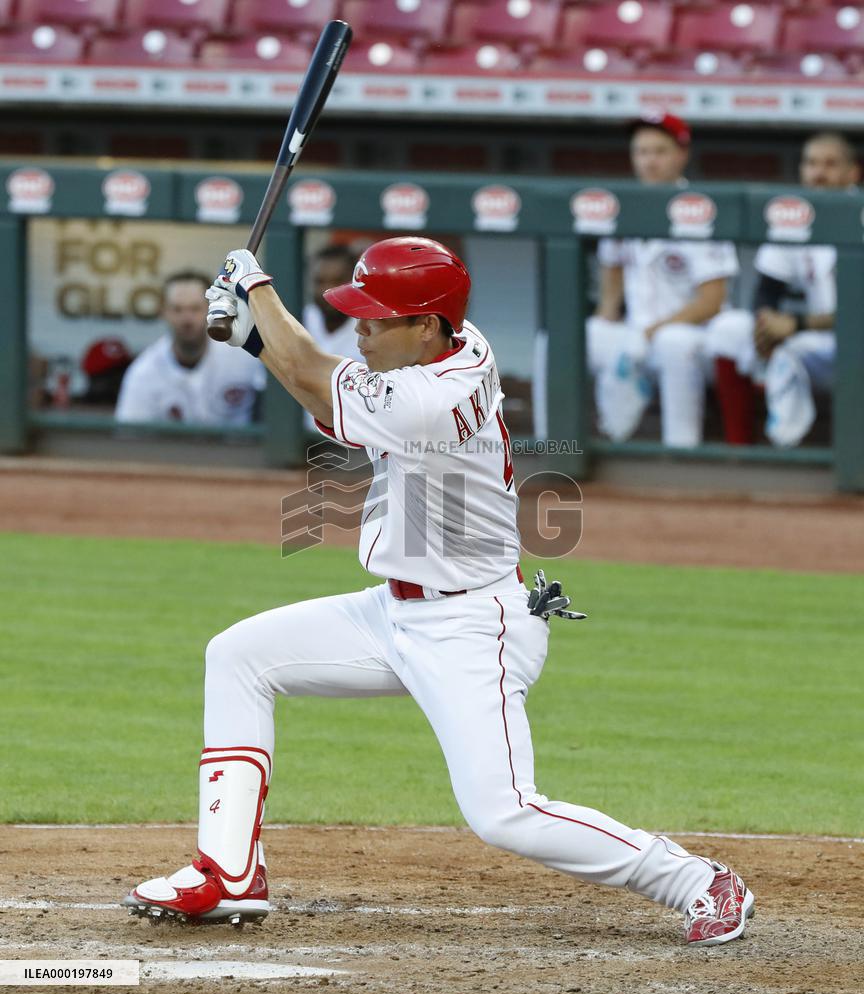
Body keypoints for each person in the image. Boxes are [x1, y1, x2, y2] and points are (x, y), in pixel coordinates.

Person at [123, 237, 754, 946]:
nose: (360, 326)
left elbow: (313, 374)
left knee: (503, 813)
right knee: (238, 655)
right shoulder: (455, 341)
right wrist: (253, 336)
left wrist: (256, 294)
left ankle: (696, 880)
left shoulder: (431, 397)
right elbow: (323, 389)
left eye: (377, 317)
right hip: (393, 611)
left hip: (470, 625)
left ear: (426, 326)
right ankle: (230, 871)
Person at [588, 113, 739, 448]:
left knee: (675, 343)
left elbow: (712, 301)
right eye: (641, 152)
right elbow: (610, 299)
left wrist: (649, 333)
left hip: (696, 336)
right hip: (638, 333)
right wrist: (611, 332)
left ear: (681, 155)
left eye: (659, 151)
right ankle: (557, 445)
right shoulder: (621, 209)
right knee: (569, 339)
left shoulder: (700, 210)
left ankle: (681, 450)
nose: (648, 161)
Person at [707, 132, 860, 446]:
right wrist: (767, 326)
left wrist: (796, 325)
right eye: (811, 163)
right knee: (730, 328)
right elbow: (766, 292)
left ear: (852, 173)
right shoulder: (796, 216)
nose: (818, 173)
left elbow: (858, 312)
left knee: (791, 352)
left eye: (830, 164)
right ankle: (746, 448)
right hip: (821, 342)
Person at [114, 271, 265, 425]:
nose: (187, 319)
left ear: (212, 308)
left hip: (240, 448)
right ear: (163, 312)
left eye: (195, 308)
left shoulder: (245, 356)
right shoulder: (143, 373)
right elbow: (130, 441)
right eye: (177, 309)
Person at [301, 244, 364, 433]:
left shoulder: (371, 326)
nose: (327, 290)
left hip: (357, 444)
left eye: (337, 281)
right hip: (305, 441)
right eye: (320, 281)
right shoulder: (297, 320)